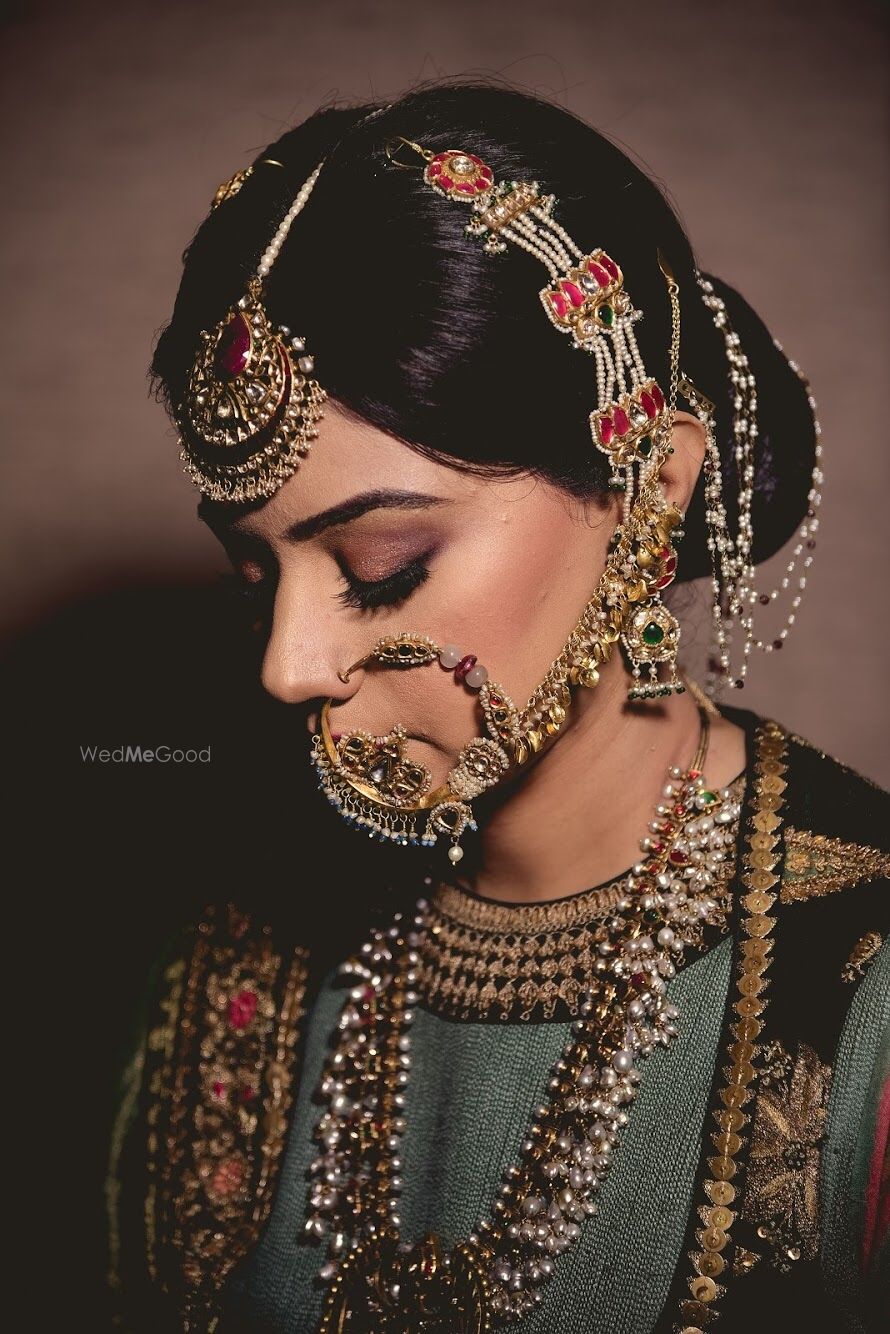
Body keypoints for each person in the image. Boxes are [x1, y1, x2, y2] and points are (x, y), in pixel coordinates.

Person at [105, 82, 889, 1333]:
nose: (289, 666)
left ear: (647, 488)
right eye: (253, 578)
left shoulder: (859, 1002)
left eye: (380, 568)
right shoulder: (231, 965)